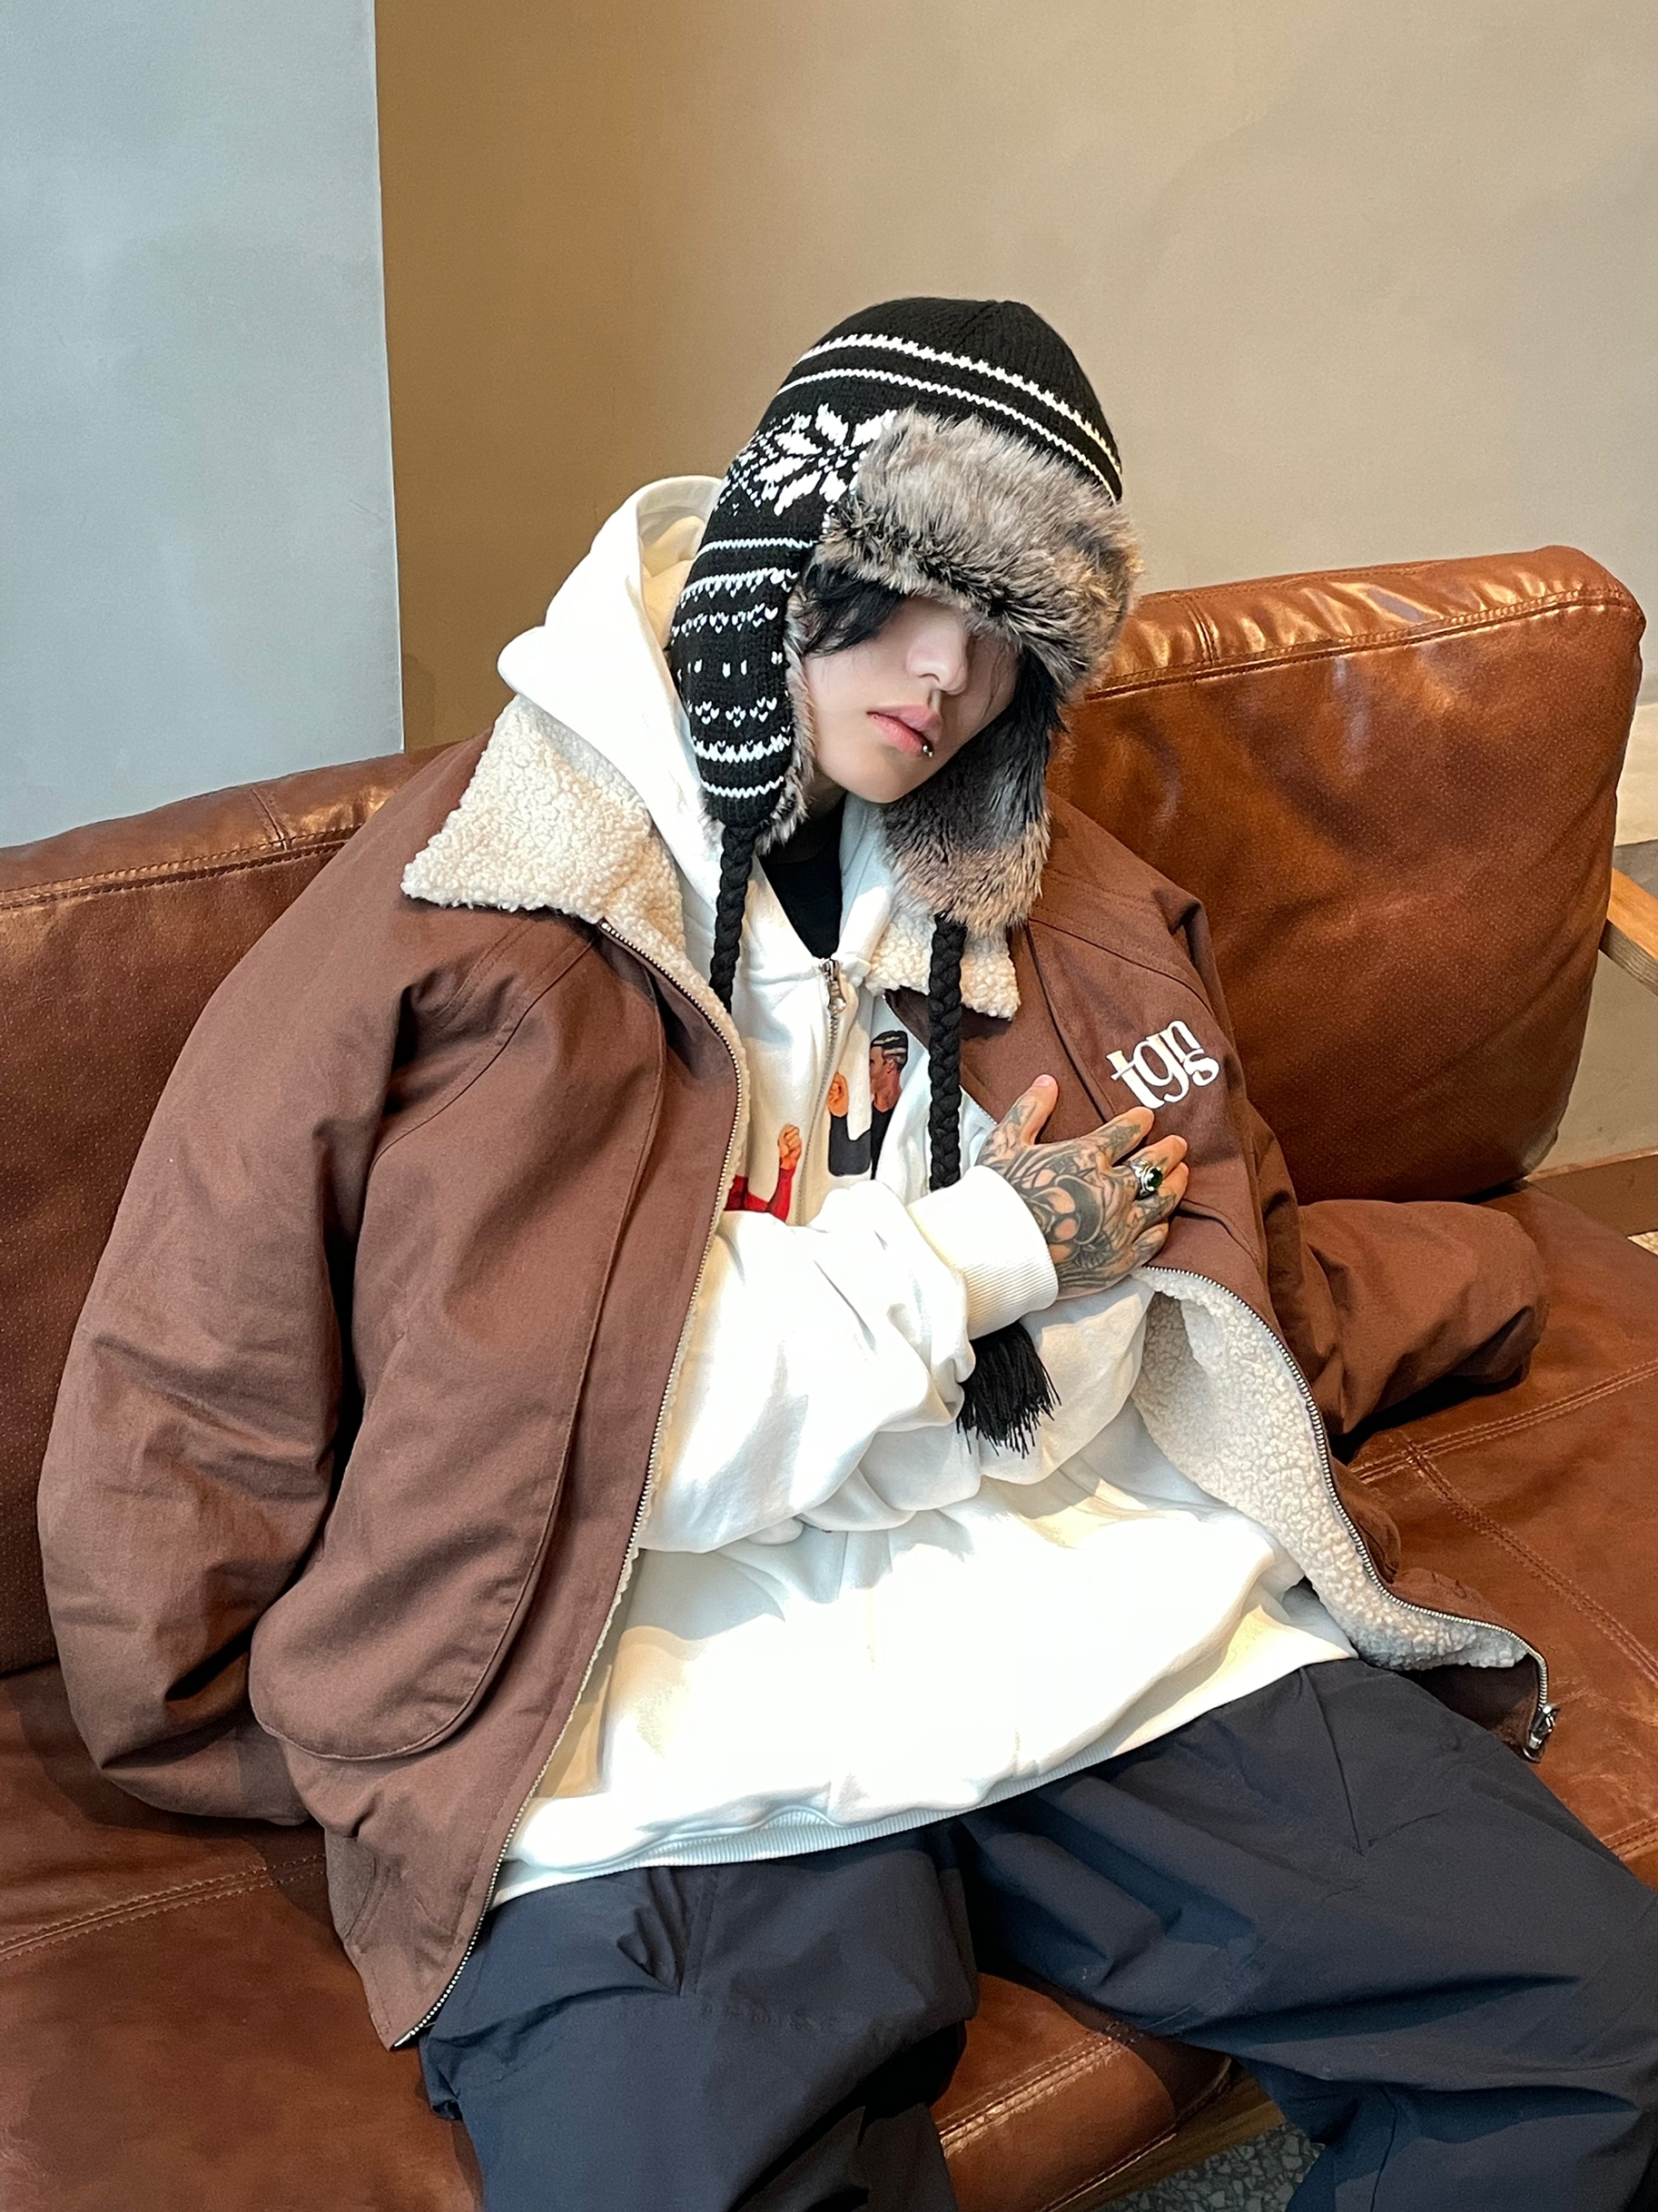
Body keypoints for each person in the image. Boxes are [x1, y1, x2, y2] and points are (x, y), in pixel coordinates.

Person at [37, 298, 1658, 2210]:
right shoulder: (475, 927)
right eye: (905, 591)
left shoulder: (1071, 902)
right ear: (779, 553)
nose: (948, 674)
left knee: (1596, 2036)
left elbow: (1148, 1324)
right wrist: (969, 1264)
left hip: (1077, 1612)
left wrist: (856, 1355)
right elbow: (560, 1462)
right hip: (648, 1721)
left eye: (1012, 631)